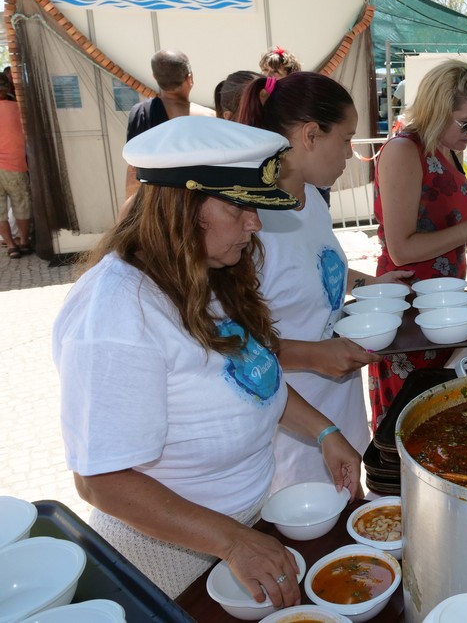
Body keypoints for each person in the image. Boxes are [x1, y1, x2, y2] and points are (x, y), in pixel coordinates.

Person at [54, 116, 362, 601]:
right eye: (240, 208)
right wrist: (231, 541)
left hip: (247, 530)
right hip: (166, 562)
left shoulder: (210, 270)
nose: (255, 223)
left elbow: (253, 378)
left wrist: (324, 432)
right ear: (183, 207)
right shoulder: (116, 311)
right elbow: (100, 479)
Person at [237, 71, 411, 491]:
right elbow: (231, 343)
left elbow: (317, 270)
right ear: (311, 135)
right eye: (346, 139)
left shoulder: (311, 197)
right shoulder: (248, 222)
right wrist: (316, 355)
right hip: (291, 431)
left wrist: (373, 286)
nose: (351, 153)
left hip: (340, 409)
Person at [370, 59, 467, 428]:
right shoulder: (405, 151)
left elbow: (441, 237)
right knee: (407, 424)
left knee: (440, 417)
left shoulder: (448, 150)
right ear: (438, 111)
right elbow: (402, 248)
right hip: (409, 314)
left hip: (444, 308)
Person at [122, 49, 214, 203]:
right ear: (189, 78)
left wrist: (129, 206)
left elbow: (134, 167)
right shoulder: (207, 117)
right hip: (195, 202)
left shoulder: (140, 113)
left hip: (154, 205)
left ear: (155, 77)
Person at [0, 70, 32, 258]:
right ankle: (25, 241)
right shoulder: (18, 109)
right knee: (22, 205)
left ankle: (11, 245)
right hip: (15, 166)